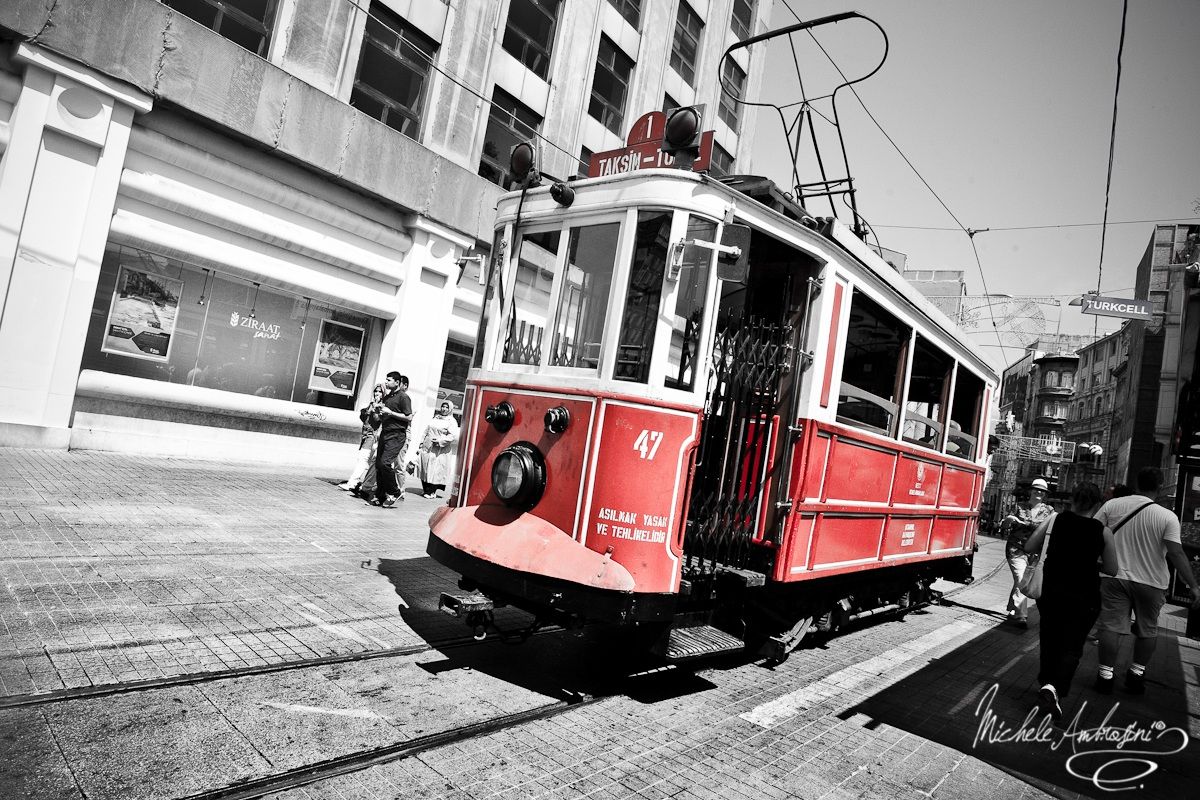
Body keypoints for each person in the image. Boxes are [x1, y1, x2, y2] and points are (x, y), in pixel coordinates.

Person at [1092, 467, 1200, 694]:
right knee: (1148, 629)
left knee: (1111, 626)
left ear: (1137, 482)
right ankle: (1136, 673)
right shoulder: (1167, 516)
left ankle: (1105, 676)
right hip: (1151, 582)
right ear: (1160, 486)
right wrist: (1193, 585)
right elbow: (1176, 553)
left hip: (1114, 576)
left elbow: (1092, 532)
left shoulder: (1113, 505)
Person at [1023, 482, 1117, 721]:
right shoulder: (1103, 532)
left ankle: (1047, 684)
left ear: (1072, 500)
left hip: (1052, 591)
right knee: (1073, 645)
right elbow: (1112, 569)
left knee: (1050, 637)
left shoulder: (1055, 520)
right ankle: (1054, 688)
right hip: (1085, 596)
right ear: (1097, 505)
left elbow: (1029, 546)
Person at [1001, 478, 1054, 629]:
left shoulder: (1049, 511)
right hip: (1016, 549)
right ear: (1030, 491)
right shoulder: (1019, 506)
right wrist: (1009, 520)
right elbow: (1004, 525)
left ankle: (1012, 607)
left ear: (1045, 494)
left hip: (1035, 553)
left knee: (1022, 581)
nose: (1039, 492)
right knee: (1020, 578)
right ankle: (1021, 615)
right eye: (1036, 489)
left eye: (1042, 490)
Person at [372, 372, 413, 509]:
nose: (386, 382)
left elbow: (409, 417)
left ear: (397, 382)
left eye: (389, 380)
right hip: (385, 432)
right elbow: (383, 415)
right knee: (378, 465)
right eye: (386, 379)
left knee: (385, 463)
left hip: (397, 435)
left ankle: (395, 492)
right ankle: (381, 495)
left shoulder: (404, 397)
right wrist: (378, 411)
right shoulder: (388, 396)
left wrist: (391, 413)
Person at [339, 383, 383, 494]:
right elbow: (364, 418)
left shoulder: (381, 406)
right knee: (366, 461)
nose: (377, 393)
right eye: (376, 391)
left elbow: (377, 419)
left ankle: (352, 482)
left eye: (379, 391)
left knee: (362, 459)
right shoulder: (371, 404)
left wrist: (375, 407)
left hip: (372, 436)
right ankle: (366, 485)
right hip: (365, 435)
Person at [414, 401, 459, 498]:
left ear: (450, 409)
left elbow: (452, 436)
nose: (444, 409)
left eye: (447, 407)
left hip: (440, 450)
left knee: (436, 471)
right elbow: (426, 431)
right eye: (443, 406)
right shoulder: (435, 418)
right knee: (425, 469)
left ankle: (432, 491)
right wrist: (421, 444)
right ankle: (426, 490)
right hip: (428, 447)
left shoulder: (451, 421)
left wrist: (440, 441)